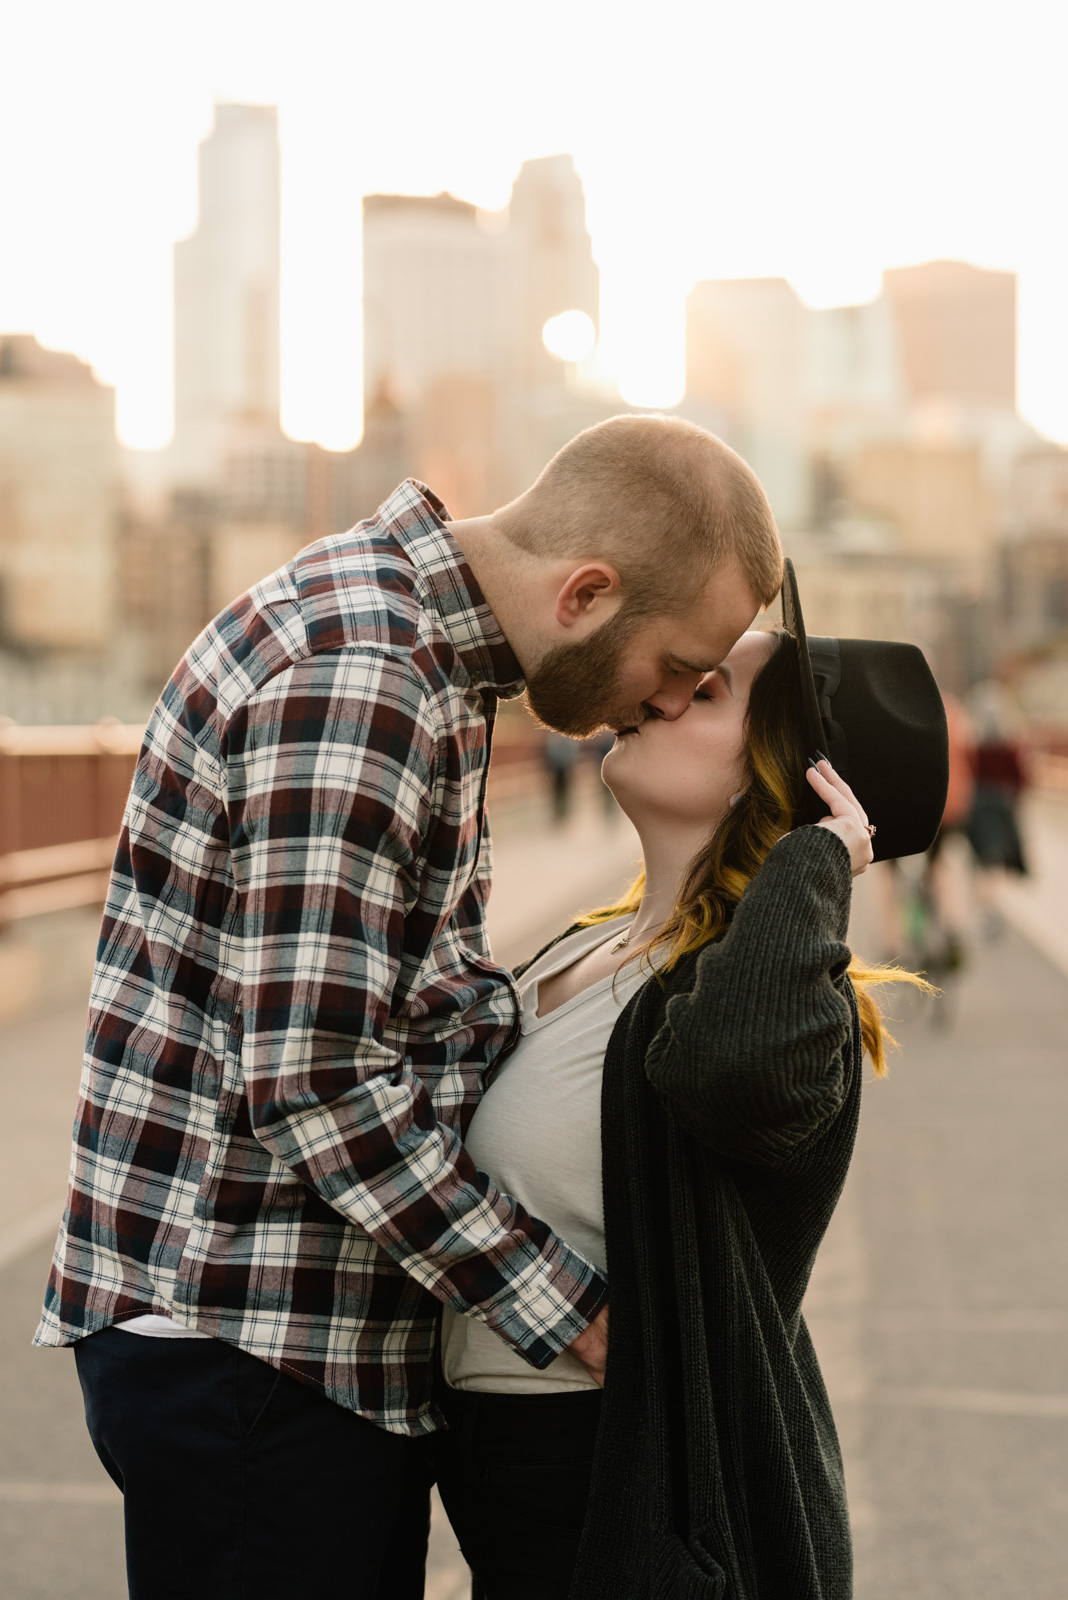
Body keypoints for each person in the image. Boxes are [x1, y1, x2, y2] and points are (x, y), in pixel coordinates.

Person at [34, 414, 784, 1599]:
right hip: (255, 1344)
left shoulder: (420, 653)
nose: (678, 696)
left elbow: (386, 1013)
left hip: (285, 1342)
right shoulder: (366, 674)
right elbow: (317, 1081)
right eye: (684, 664)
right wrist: (581, 1318)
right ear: (588, 592)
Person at [436, 560, 949, 1599]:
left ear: (786, 777)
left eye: (705, 690)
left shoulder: (791, 1008)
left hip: (638, 1499)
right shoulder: (586, 949)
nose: (662, 695)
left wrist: (814, 866)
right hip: (505, 1470)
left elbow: (730, 1067)